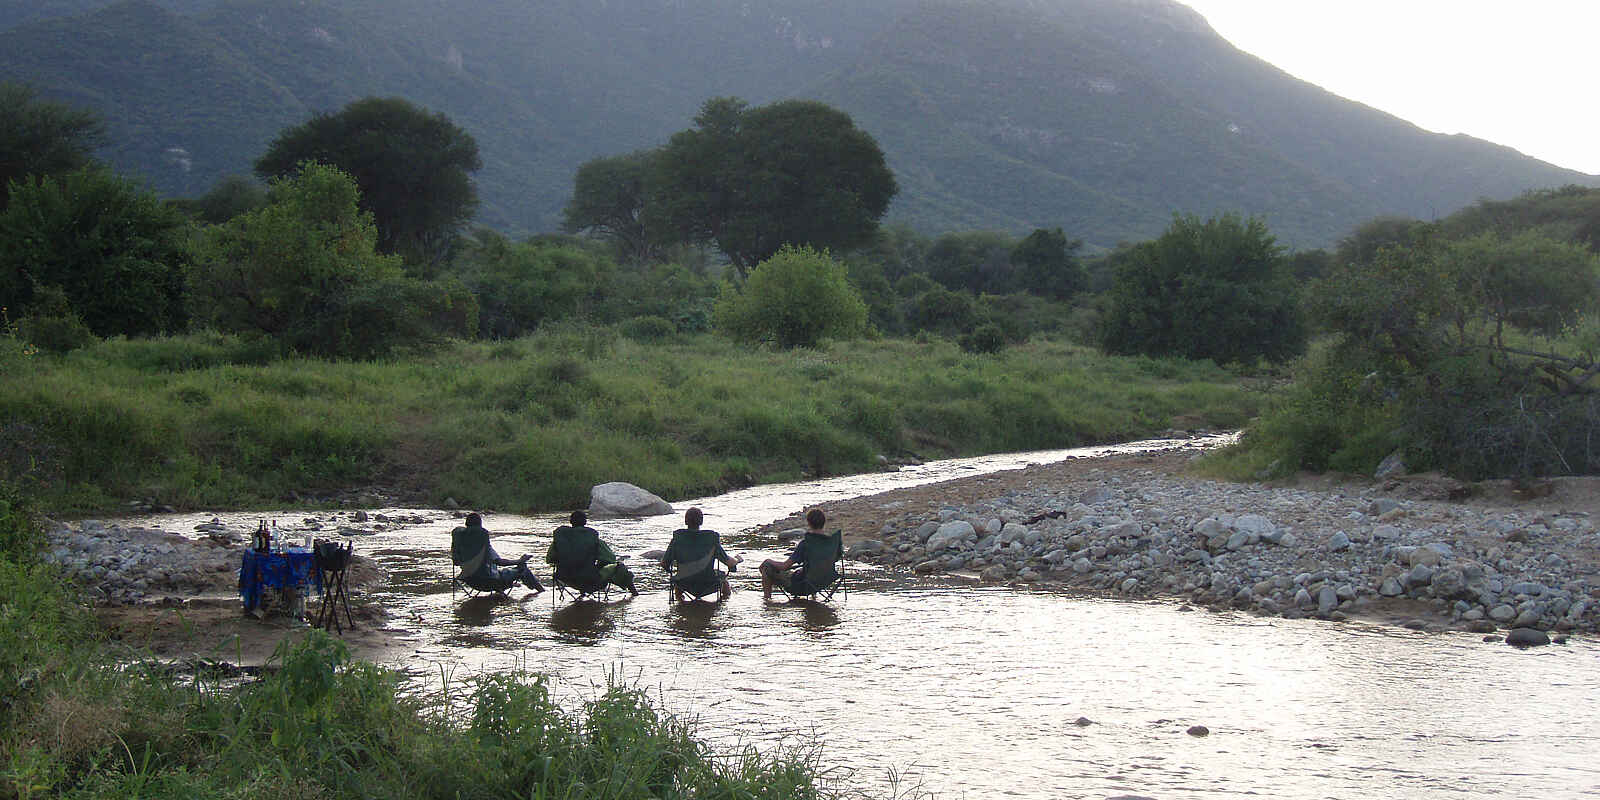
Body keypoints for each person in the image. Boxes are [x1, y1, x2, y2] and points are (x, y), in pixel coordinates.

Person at [760, 507, 843, 601]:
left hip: (802, 586)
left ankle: (767, 602)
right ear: (824, 523)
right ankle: (814, 597)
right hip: (825, 581)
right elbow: (833, 559)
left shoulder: (806, 544)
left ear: (809, 523)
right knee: (810, 567)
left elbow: (784, 566)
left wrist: (768, 561)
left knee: (767, 567)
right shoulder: (832, 543)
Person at [547, 510, 637, 595]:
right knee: (619, 566)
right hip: (590, 579)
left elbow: (549, 559)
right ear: (585, 522)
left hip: (565, 577)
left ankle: (582, 594)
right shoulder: (594, 538)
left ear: (571, 522)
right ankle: (634, 594)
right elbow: (610, 558)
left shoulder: (560, 540)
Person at [661, 507, 742, 602]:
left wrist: (674, 573)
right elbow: (729, 563)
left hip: (684, 583)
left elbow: (664, 564)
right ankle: (722, 607)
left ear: (686, 522)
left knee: (678, 582)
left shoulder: (677, 539)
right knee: (724, 583)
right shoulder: (711, 539)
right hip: (709, 582)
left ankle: (681, 607)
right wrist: (737, 559)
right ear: (701, 522)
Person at [450, 512, 543, 594]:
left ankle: (501, 593)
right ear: (480, 526)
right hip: (489, 581)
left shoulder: (459, 542)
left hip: (469, 580)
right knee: (523, 568)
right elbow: (500, 562)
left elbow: (456, 562)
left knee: (499, 572)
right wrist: (520, 560)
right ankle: (542, 592)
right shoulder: (483, 544)